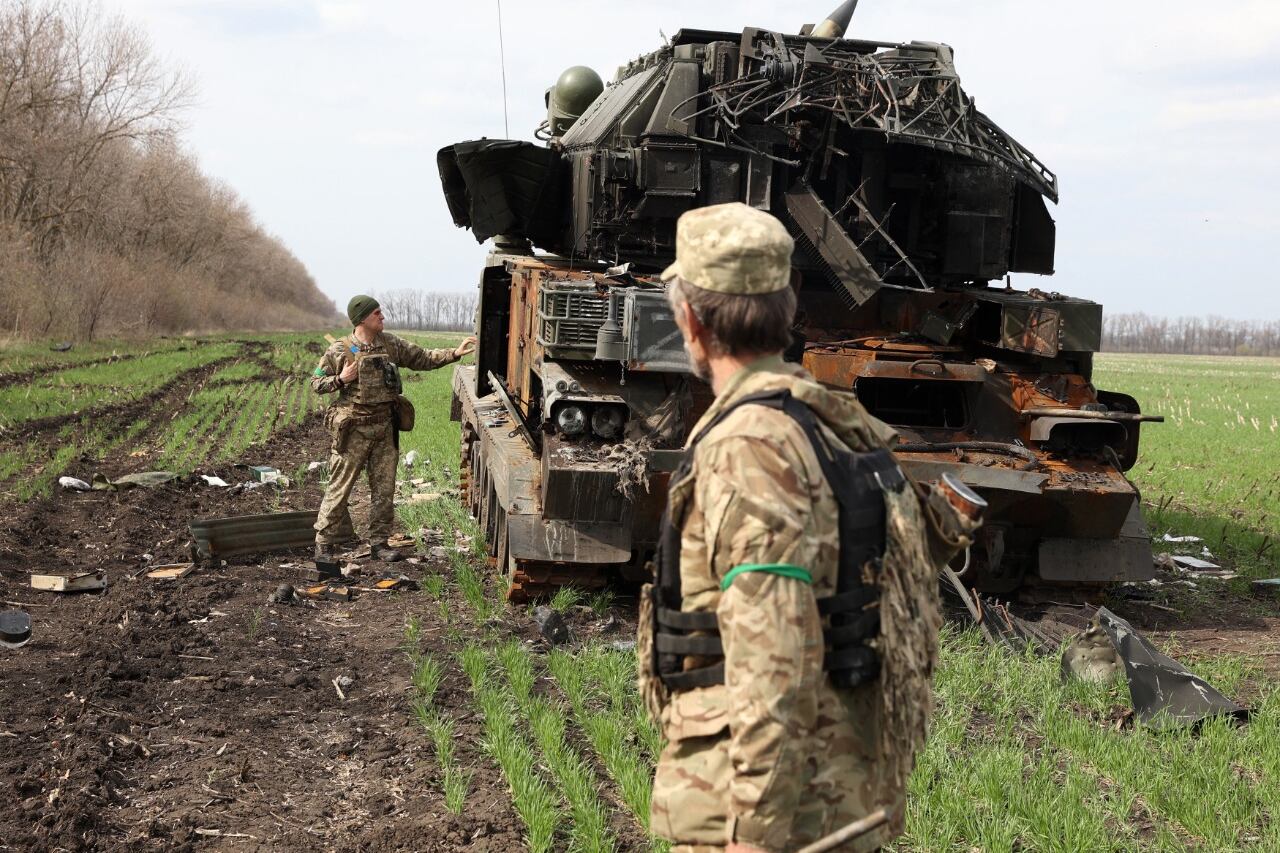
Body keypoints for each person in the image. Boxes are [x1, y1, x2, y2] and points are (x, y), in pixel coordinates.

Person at [638, 203, 977, 853]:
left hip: (766, 813)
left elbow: (776, 656)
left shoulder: (751, 448)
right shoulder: (827, 421)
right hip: (832, 789)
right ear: (787, 306)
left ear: (689, 318)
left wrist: (754, 835)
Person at [311, 295, 475, 562]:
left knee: (384, 491)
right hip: (353, 431)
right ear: (362, 318)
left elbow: (421, 358)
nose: (382, 317)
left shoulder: (389, 344)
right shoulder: (339, 350)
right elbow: (316, 383)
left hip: (385, 429)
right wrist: (340, 379)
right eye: (377, 313)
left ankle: (379, 543)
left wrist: (454, 354)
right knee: (339, 489)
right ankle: (324, 545)